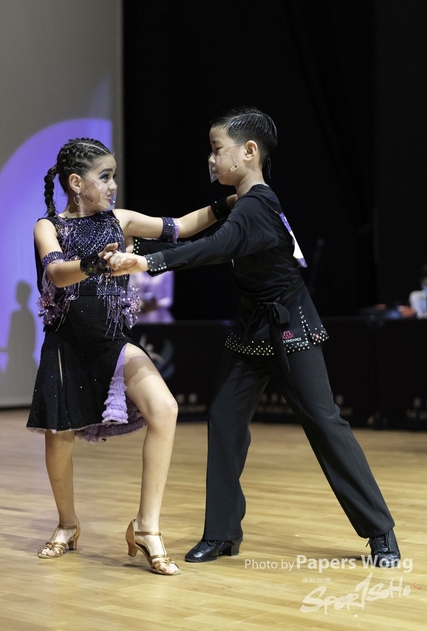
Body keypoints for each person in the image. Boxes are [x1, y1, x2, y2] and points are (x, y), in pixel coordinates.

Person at [107, 107, 401, 568]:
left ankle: (381, 533)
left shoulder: (259, 205)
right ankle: (222, 534)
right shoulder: (241, 203)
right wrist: (139, 246)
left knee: (325, 424)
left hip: (289, 327)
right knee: (224, 421)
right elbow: (199, 231)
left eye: (217, 149)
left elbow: (215, 247)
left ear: (248, 152)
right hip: (250, 327)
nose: (211, 159)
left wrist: (148, 261)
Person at [26, 137, 234, 575]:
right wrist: (97, 264)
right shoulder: (48, 226)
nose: (113, 185)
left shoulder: (121, 221)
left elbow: (181, 226)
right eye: (105, 177)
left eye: (114, 176)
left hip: (112, 344)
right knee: (59, 438)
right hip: (66, 349)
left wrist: (228, 203)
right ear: (76, 183)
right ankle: (67, 524)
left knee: (165, 409)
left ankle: (146, 527)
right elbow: (57, 273)